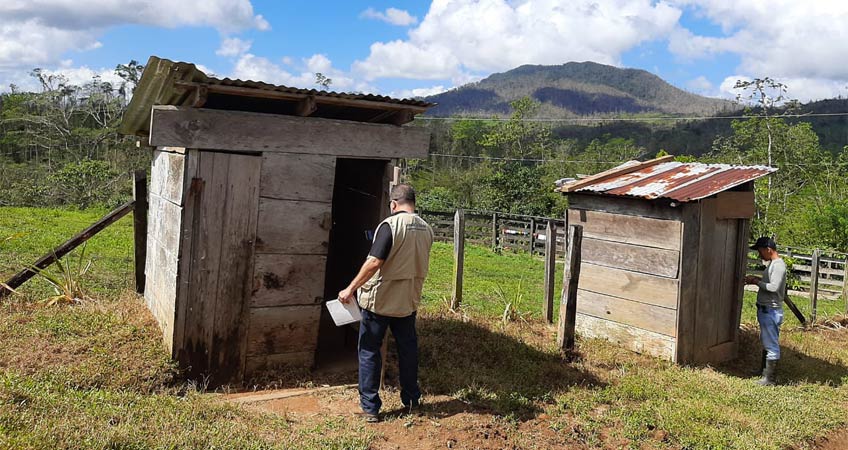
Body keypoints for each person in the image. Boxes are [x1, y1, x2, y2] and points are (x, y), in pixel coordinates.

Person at [338, 184, 434, 422]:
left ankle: (370, 407)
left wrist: (350, 288)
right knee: (408, 350)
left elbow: (374, 262)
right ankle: (411, 400)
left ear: (393, 204)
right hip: (407, 302)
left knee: (370, 349)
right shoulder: (427, 229)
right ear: (413, 202)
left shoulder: (390, 225)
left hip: (379, 301)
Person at [745, 236, 786, 386]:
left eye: (761, 251)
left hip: (770, 310)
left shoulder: (778, 266)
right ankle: (764, 372)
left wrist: (756, 282)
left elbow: (774, 288)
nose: (759, 254)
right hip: (767, 310)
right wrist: (757, 279)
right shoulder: (773, 265)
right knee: (767, 341)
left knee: (771, 345)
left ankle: (770, 379)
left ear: (768, 250)